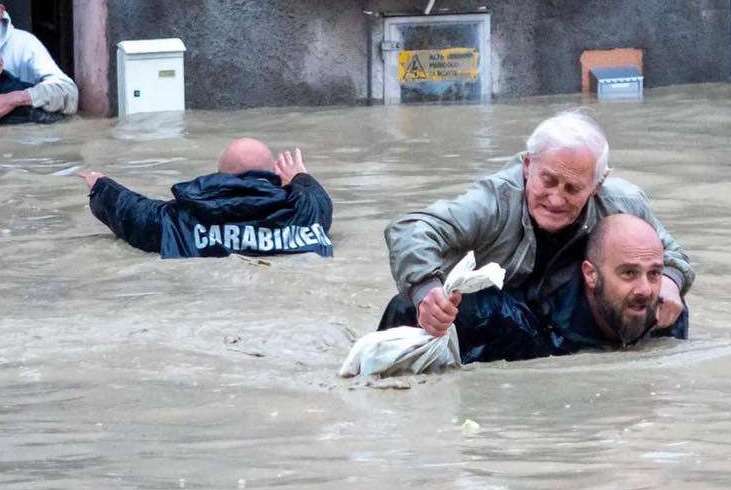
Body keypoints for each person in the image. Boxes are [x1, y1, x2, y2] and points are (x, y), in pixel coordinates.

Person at [379, 108, 693, 345]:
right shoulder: (494, 202)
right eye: (548, 181)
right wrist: (427, 292)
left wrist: (669, 280)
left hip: (560, 317)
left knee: (665, 307)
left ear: (597, 185)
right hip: (494, 313)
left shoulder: (624, 203)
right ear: (528, 166)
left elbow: (672, 253)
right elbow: (410, 228)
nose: (556, 199)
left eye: (572, 189)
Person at [430, 213, 688, 364]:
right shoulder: (511, 323)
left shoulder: (668, 314)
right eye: (629, 273)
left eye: (654, 273)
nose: (644, 289)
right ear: (590, 274)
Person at [81, 138, 334, 258]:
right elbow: (320, 202)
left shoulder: (184, 215)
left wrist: (101, 187)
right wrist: (301, 179)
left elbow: (136, 215)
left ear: (220, 177)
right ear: (274, 177)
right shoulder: (306, 210)